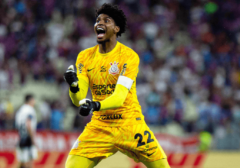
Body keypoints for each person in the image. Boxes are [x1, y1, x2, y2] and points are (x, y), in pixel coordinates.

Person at [64, 3, 170, 168]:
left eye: (107, 21)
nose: (100, 23)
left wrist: (94, 104)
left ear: (117, 29)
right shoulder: (84, 57)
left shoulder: (128, 56)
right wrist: (73, 85)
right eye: (98, 20)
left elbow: (119, 97)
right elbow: (79, 99)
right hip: (100, 126)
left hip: (129, 125)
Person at [15, 94, 38, 168]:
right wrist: (32, 139)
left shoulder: (20, 110)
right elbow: (28, 124)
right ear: (30, 100)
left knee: (22, 161)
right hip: (28, 138)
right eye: (34, 100)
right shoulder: (30, 109)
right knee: (29, 161)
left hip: (21, 137)